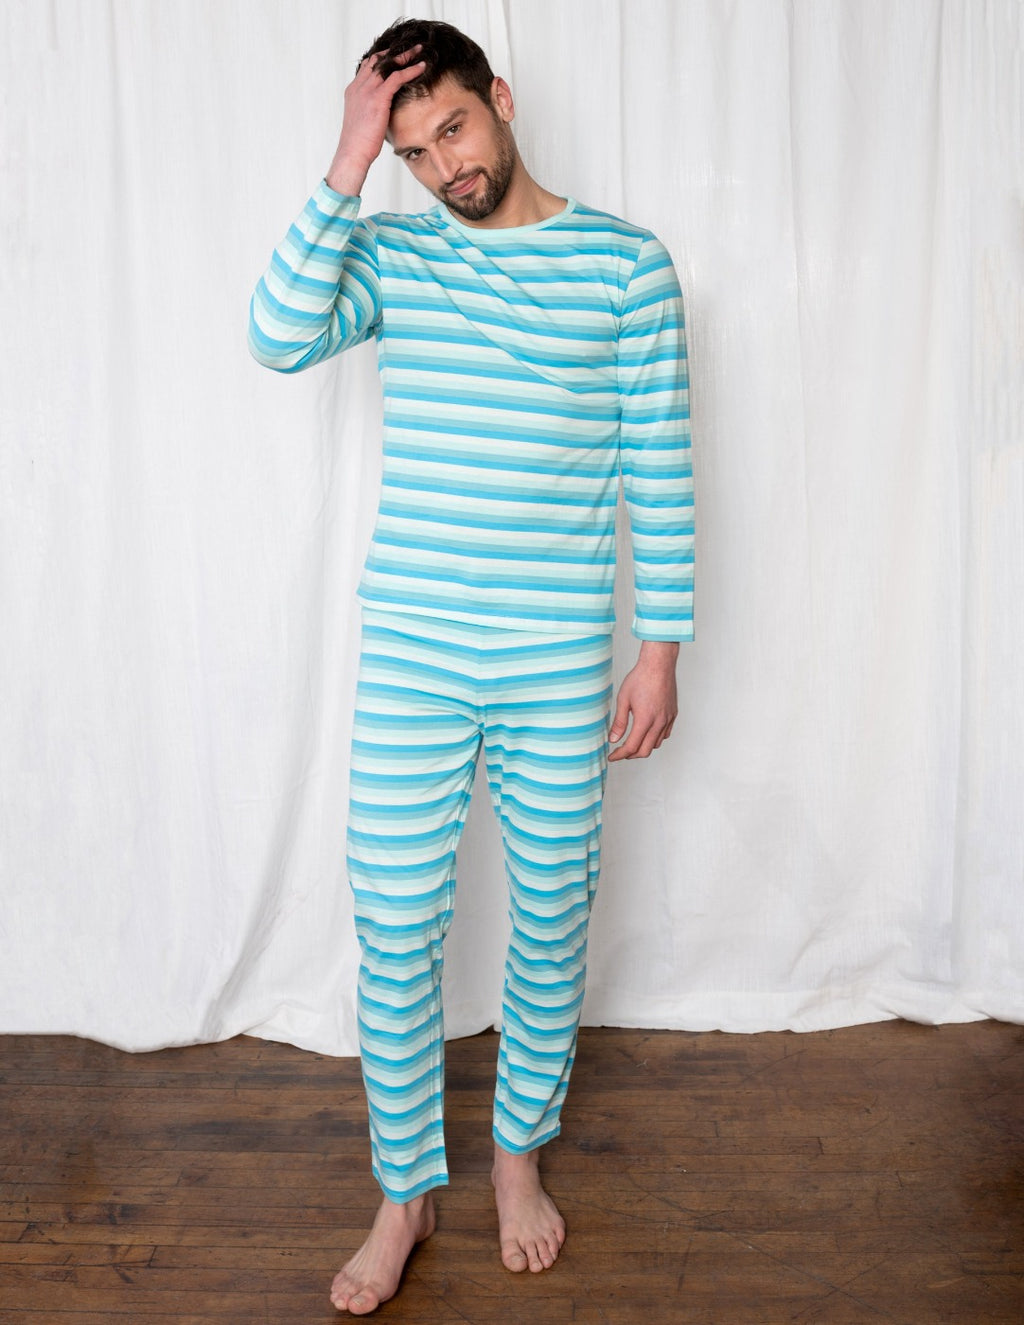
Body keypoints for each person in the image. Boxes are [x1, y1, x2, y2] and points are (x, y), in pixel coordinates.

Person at [248, 17, 694, 1315]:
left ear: (499, 98)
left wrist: (659, 649)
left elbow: (660, 469)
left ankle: (513, 1161)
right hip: (414, 655)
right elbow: (277, 334)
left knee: (551, 914)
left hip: (556, 660)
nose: (446, 167)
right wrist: (347, 159)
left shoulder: (628, 267)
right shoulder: (397, 254)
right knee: (394, 928)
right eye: (415, 152)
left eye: (453, 128)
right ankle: (405, 1191)